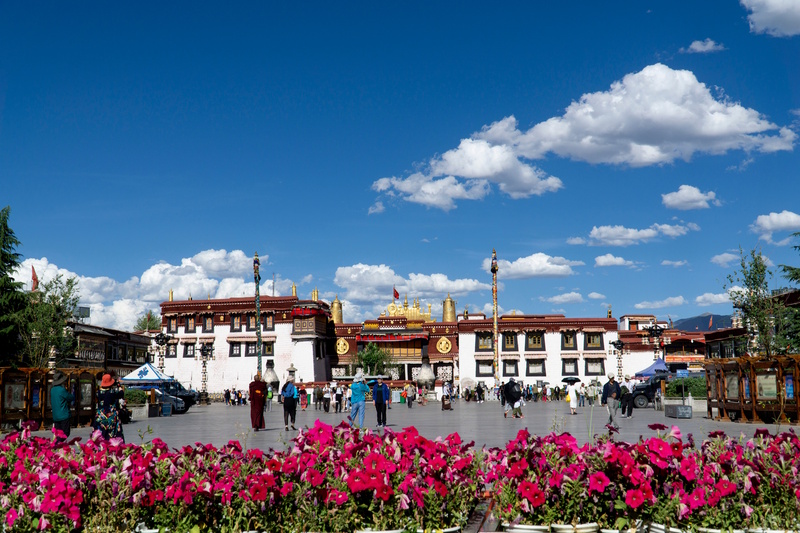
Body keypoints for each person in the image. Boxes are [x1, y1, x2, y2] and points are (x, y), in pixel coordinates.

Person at [92, 373, 125, 442]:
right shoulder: (112, 392)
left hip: (100, 415)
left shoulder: (99, 392)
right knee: (112, 434)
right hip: (111, 416)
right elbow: (121, 393)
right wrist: (119, 386)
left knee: (101, 434)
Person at [50, 371, 74, 442]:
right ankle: (57, 444)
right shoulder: (62, 390)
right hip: (63, 415)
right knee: (66, 432)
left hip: (55, 415)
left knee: (58, 433)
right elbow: (70, 397)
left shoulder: (52, 390)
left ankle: (56, 444)